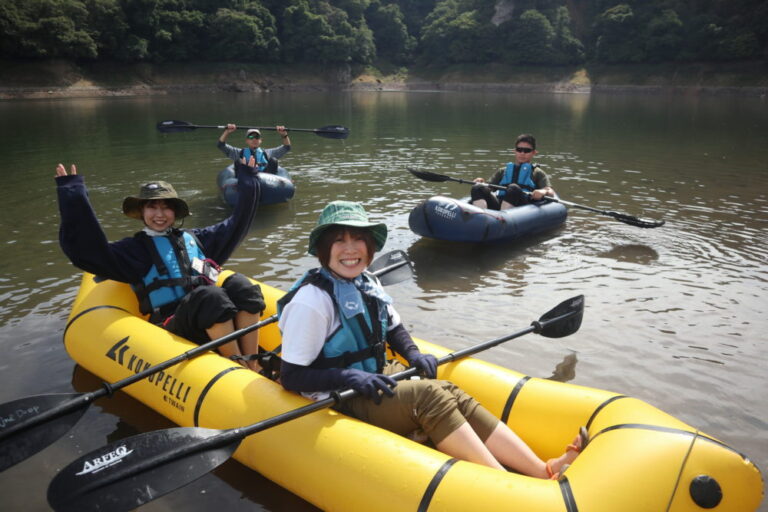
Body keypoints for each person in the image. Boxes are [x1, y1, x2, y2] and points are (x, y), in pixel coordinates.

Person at [277, 201, 583, 477]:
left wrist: (413, 354)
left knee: (447, 388)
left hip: (371, 375)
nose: (350, 249)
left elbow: (394, 328)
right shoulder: (312, 301)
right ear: (323, 249)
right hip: (338, 395)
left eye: (358, 238)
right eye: (339, 240)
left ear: (370, 246)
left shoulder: (366, 282)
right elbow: (291, 376)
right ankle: (503, 483)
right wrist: (350, 377)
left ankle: (542, 469)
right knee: (429, 397)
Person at [54, 158, 266, 372]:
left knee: (242, 285)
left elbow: (238, 223)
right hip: (172, 326)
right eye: (152, 207)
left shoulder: (197, 239)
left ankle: (252, 361)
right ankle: (238, 367)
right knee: (211, 296)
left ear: (175, 212)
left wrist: (248, 179)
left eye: (166, 208)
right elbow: (89, 251)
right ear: (142, 212)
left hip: (212, 315)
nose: (159, 214)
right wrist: (73, 194)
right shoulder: (134, 249)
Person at [471, 133, 555, 210]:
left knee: (513, 188)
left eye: (527, 150)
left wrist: (542, 191)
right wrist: (481, 182)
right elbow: (488, 187)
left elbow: (550, 192)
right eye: (519, 149)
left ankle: (503, 220)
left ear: (534, 153)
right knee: (477, 187)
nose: (522, 153)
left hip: (522, 207)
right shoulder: (502, 171)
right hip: (500, 204)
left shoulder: (537, 172)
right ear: (515, 151)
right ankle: (480, 216)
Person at [218, 123, 291, 174]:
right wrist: (227, 132)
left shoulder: (268, 153)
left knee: (273, 161)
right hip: (246, 179)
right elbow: (221, 145)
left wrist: (284, 135)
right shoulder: (239, 153)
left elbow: (286, 147)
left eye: (257, 137)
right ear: (246, 140)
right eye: (251, 137)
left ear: (260, 140)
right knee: (238, 162)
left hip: (266, 180)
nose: (254, 139)